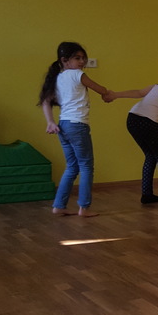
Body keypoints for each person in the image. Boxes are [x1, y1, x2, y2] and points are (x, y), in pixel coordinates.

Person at [38, 41, 111, 217]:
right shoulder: (77, 74)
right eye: (77, 58)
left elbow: (45, 101)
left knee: (72, 167)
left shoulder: (57, 77)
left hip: (63, 125)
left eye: (83, 58)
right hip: (77, 125)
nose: (82, 61)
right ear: (64, 60)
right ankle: (84, 208)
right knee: (86, 166)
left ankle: (59, 206)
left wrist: (50, 122)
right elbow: (99, 88)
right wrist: (107, 94)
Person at [104, 84, 158, 204]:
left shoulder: (157, 86)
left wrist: (115, 95)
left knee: (150, 156)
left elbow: (138, 92)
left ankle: (146, 194)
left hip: (132, 119)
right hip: (147, 122)